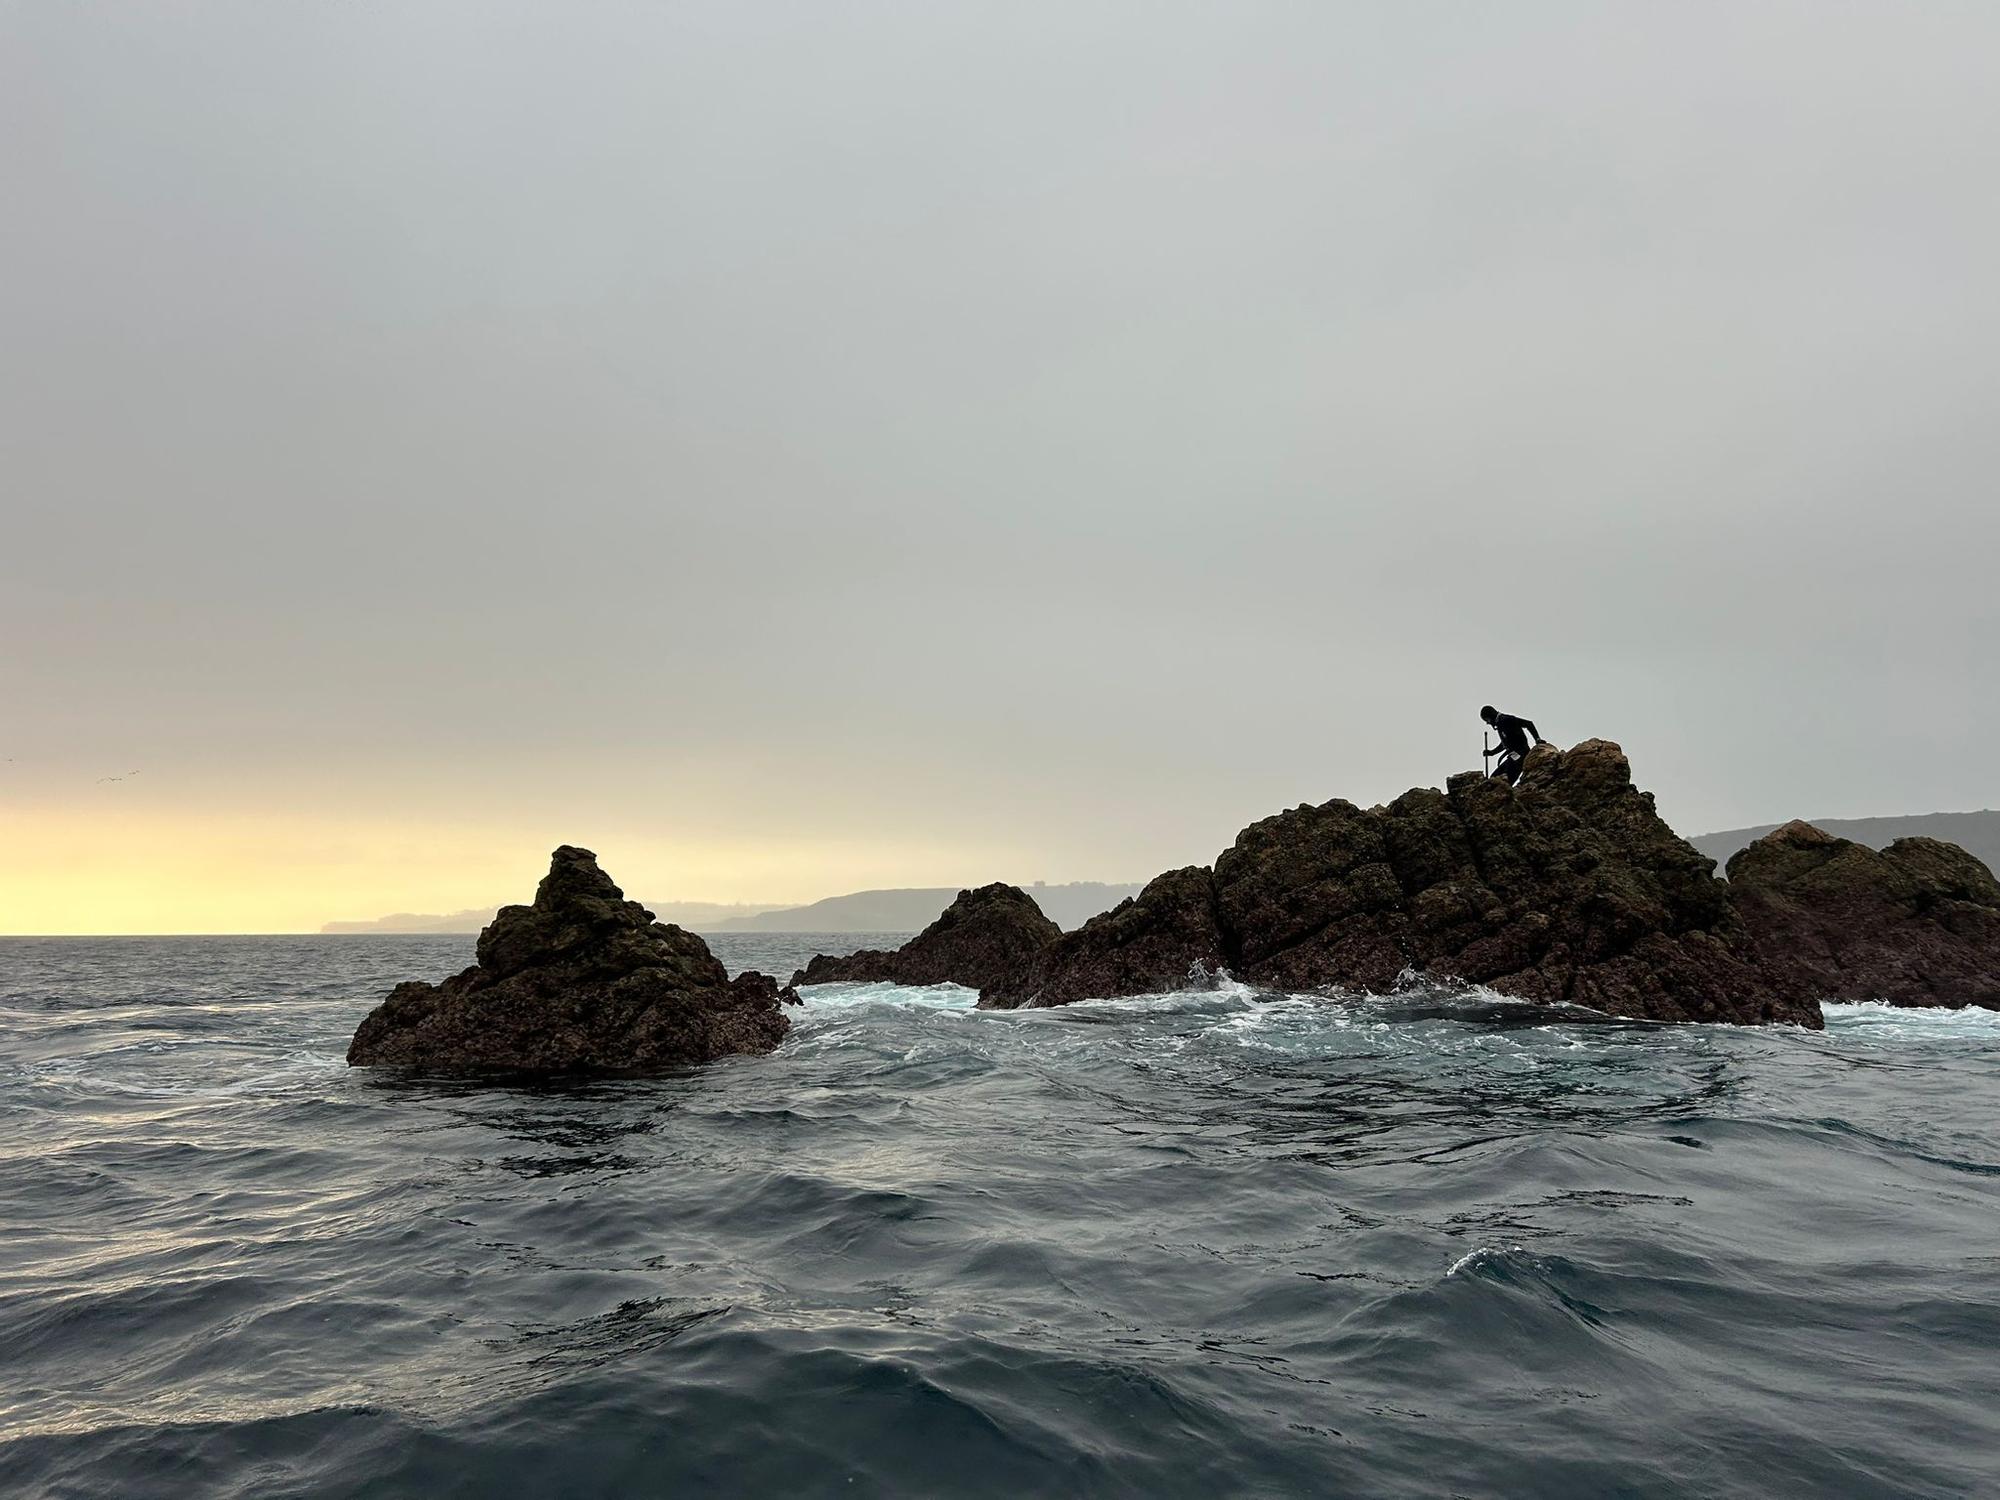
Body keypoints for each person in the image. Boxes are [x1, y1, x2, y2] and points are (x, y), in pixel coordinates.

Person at [1480, 704, 1547, 785]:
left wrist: (1537, 739)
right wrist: (1492, 752)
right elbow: (1505, 743)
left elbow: (1528, 724)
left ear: (1490, 716)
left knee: (1505, 778)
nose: (1488, 723)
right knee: (1494, 777)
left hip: (1521, 754)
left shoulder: (1506, 719)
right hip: (1513, 755)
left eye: (1487, 720)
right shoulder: (1500, 724)